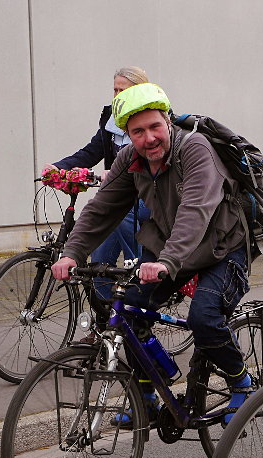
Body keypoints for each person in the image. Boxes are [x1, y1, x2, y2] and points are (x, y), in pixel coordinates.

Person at [51, 83, 253, 424]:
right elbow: (102, 208)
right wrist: (72, 252)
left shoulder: (195, 149)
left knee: (205, 318)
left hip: (223, 247)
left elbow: (196, 210)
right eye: (137, 131)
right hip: (171, 252)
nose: (149, 138)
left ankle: (241, 381)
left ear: (168, 121)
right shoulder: (132, 159)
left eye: (155, 127)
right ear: (128, 135)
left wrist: (166, 262)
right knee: (128, 313)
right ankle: (147, 394)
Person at [43, 66, 152, 297]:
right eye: (114, 90)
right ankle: (104, 329)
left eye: (123, 90)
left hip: (148, 197)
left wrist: (115, 172)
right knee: (98, 265)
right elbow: (92, 152)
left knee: (125, 214)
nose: (117, 96)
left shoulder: (151, 119)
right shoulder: (112, 121)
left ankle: (141, 275)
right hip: (121, 200)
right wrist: (59, 167)